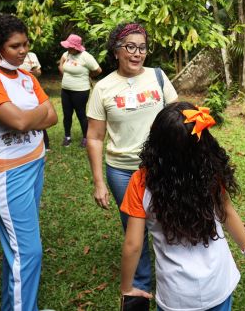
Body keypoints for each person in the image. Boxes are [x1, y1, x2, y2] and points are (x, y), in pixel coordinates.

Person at [120, 103, 245, 311]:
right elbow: (228, 213)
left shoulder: (140, 182)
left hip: (176, 296)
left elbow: (133, 245)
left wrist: (126, 288)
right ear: (203, 142)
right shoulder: (210, 173)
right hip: (218, 285)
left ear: (155, 139)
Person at [0, 14, 58, 311]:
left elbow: (53, 116)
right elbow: (21, 121)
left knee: (17, 250)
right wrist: (32, 117)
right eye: (14, 46)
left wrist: (25, 119)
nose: (23, 51)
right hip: (9, 172)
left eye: (25, 44)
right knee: (29, 252)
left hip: (35, 163)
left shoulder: (27, 77)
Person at [86, 22, 177, 294]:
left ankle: (174, 277)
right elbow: (94, 137)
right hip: (123, 171)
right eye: (130, 47)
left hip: (162, 166)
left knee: (169, 221)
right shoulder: (102, 88)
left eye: (142, 48)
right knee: (134, 228)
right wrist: (99, 182)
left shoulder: (158, 77)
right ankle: (140, 285)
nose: (137, 53)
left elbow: (176, 118)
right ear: (116, 51)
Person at [58, 34, 101, 147]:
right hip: (65, 90)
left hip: (80, 91)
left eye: (70, 47)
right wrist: (64, 73)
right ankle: (67, 137)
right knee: (67, 115)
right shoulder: (66, 54)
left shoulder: (86, 57)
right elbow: (61, 63)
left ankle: (86, 137)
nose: (67, 48)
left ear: (76, 47)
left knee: (81, 114)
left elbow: (98, 70)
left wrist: (88, 75)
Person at [21, 44, 50, 150]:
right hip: (20, 89)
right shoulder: (15, 57)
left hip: (32, 88)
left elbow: (39, 72)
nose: (24, 48)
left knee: (39, 116)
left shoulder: (32, 55)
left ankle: (45, 143)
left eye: (26, 45)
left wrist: (36, 72)